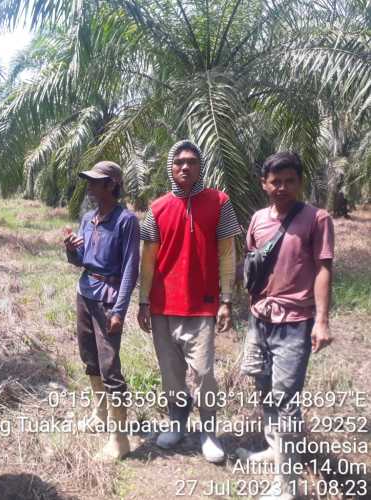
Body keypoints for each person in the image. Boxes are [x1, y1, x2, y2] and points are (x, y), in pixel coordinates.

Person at [236, 152, 334, 500]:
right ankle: (274, 447)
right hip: (260, 319)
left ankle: (288, 484)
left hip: (296, 323)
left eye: (289, 181)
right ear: (264, 184)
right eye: (275, 181)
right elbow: (253, 262)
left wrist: (321, 321)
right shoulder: (258, 218)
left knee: (286, 401)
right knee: (263, 388)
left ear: (299, 182)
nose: (282, 187)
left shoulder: (316, 218)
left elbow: (323, 269)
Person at [136, 140, 241, 463]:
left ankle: (209, 432)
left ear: (200, 166)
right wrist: (142, 302)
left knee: (205, 373)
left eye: (192, 161)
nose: (185, 167)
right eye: (179, 161)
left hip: (202, 305)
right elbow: (148, 261)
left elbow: (227, 254)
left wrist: (226, 300)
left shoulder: (219, 202)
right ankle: (177, 423)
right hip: (163, 305)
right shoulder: (157, 208)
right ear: (171, 166)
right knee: (171, 373)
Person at [64, 161, 140, 461]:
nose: (90, 186)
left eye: (96, 182)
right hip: (85, 292)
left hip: (108, 299)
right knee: (90, 358)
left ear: (112, 185)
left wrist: (119, 310)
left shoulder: (126, 221)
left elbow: (131, 270)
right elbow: (79, 261)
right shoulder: (88, 218)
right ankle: (101, 413)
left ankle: (119, 440)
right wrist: (70, 248)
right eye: (90, 182)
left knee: (110, 366)